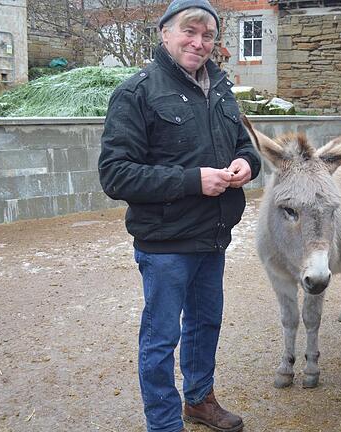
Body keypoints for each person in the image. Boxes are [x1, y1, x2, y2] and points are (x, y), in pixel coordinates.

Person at [98, 1, 260, 431]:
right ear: (165, 33)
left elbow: (246, 146)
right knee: (160, 339)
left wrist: (248, 163)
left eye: (208, 36)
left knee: (205, 324)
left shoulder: (221, 90)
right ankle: (164, 422)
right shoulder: (138, 92)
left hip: (213, 236)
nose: (199, 42)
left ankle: (199, 400)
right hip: (165, 244)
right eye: (190, 32)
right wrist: (192, 181)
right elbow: (115, 175)